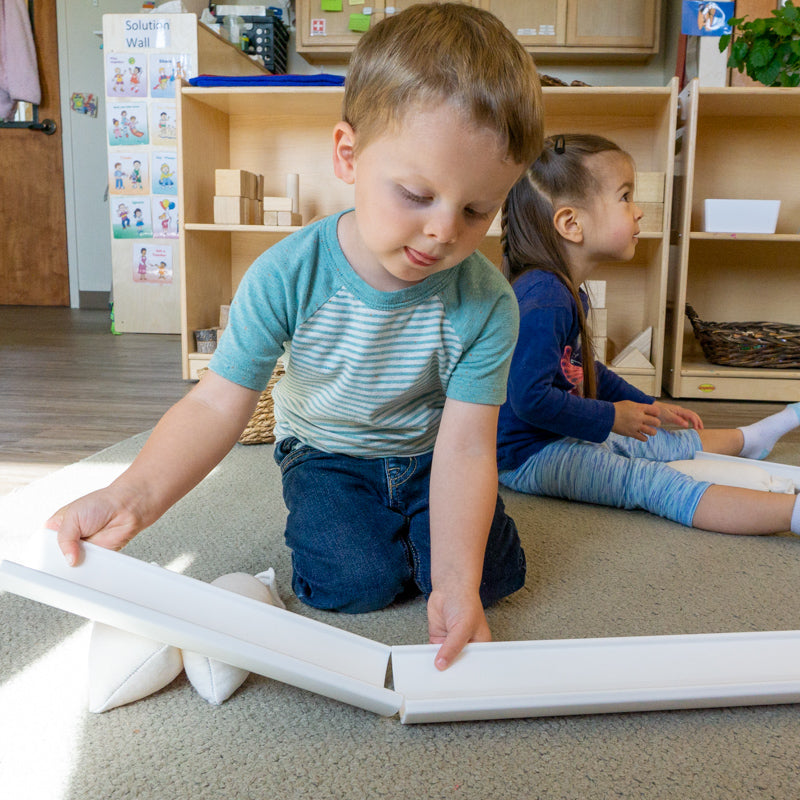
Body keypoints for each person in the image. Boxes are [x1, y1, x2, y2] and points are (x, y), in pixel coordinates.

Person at [47, 3, 544, 670]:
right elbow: (215, 404)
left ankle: (428, 546)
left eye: (477, 210)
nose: (442, 231)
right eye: (417, 195)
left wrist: (456, 581)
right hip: (326, 453)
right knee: (353, 585)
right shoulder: (287, 273)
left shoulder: (489, 303)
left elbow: (465, 447)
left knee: (483, 579)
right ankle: (399, 539)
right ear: (349, 155)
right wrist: (130, 496)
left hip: (430, 457)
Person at [497, 133, 800, 536]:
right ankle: (792, 515)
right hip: (527, 456)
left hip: (559, 435)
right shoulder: (545, 297)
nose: (638, 211)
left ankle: (753, 438)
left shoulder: (561, 291)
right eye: (625, 197)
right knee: (649, 480)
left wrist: (648, 405)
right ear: (571, 223)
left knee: (658, 441)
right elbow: (529, 399)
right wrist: (611, 416)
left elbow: (586, 372)